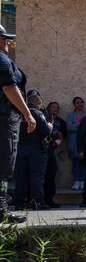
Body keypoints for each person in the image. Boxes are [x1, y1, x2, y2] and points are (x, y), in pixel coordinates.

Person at [0, 24, 34, 224]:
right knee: (3, 164)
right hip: (4, 119)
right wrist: (27, 114)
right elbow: (9, 87)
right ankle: (1, 211)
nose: (8, 41)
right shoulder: (2, 60)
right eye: (5, 37)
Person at [13, 93, 51, 210]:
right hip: (35, 149)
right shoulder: (37, 113)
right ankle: (37, 202)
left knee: (20, 177)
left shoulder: (18, 112)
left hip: (19, 148)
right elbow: (45, 131)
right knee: (36, 177)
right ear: (37, 103)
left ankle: (19, 204)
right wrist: (50, 126)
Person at [43, 101, 66, 208]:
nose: (56, 109)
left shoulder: (61, 122)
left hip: (50, 150)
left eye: (57, 107)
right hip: (39, 150)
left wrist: (55, 144)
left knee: (51, 175)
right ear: (48, 108)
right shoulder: (43, 118)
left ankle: (49, 200)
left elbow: (62, 136)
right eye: (53, 107)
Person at [66, 96, 86, 190]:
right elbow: (69, 128)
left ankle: (83, 181)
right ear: (74, 104)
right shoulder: (71, 116)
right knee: (75, 163)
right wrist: (82, 125)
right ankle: (77, 181)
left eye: (81, 102)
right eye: (77, 102)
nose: (80, 104)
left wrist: (76, 125)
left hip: (85, 143)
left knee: (84, 163)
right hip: (73, 142)